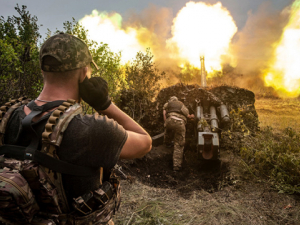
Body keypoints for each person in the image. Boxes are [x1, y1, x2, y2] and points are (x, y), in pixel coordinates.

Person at [2, 32, 152, 224]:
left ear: (42, 70)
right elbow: (145, 142)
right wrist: (105, 104)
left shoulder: (7, 117)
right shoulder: (91, 129)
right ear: (84, 73)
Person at [163, 96, 194, 171]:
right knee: (179, 144)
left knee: (168, 130)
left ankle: (167, 143)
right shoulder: (181, 105)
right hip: (180, 123)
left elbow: (164, 112)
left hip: (169, 120)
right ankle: (176, 166)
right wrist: (192, 116)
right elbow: (188, 115)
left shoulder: (168, 104)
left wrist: (165, 122)